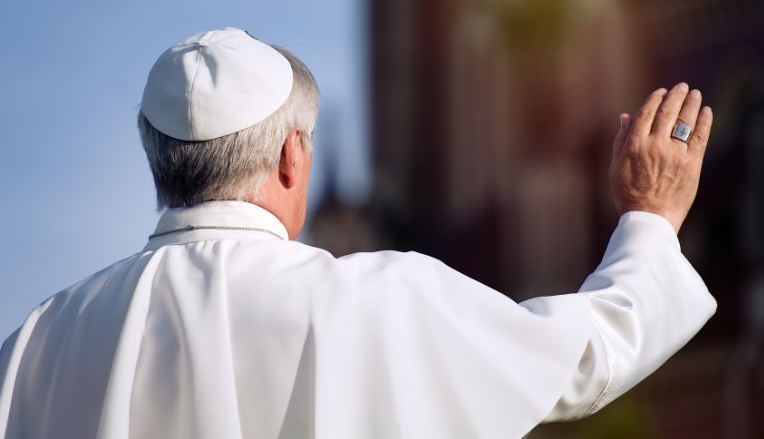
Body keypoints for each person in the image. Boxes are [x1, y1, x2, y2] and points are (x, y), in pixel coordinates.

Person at [0, 27, 716, 439]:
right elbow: (587, 354)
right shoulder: (379, 297)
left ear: (158, 161)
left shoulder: (34, 343)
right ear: (292, 156)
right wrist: (649, 217)